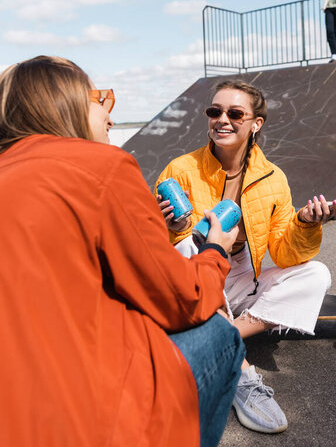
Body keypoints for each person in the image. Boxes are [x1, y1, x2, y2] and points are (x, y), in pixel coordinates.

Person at [0, 55, 245, 447]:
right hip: (71, 414)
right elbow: (184, 298)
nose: (110, 117)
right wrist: (215, 251)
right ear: (65, 104)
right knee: (221, 333)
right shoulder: (103, 165)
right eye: (101, 101)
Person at [155, 79, 336, 435]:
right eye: (215, 111)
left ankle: (226, 336)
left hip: (239, 279)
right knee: (192, 242)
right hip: (193, 274)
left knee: (316, 274)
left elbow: (284, 254)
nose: (222, 120)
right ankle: (240, 373)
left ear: (256, 123)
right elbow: (157, 245)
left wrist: (304, 223)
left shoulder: (273, 178)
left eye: (235, 113)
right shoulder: (180, 169)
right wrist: (170, 224)